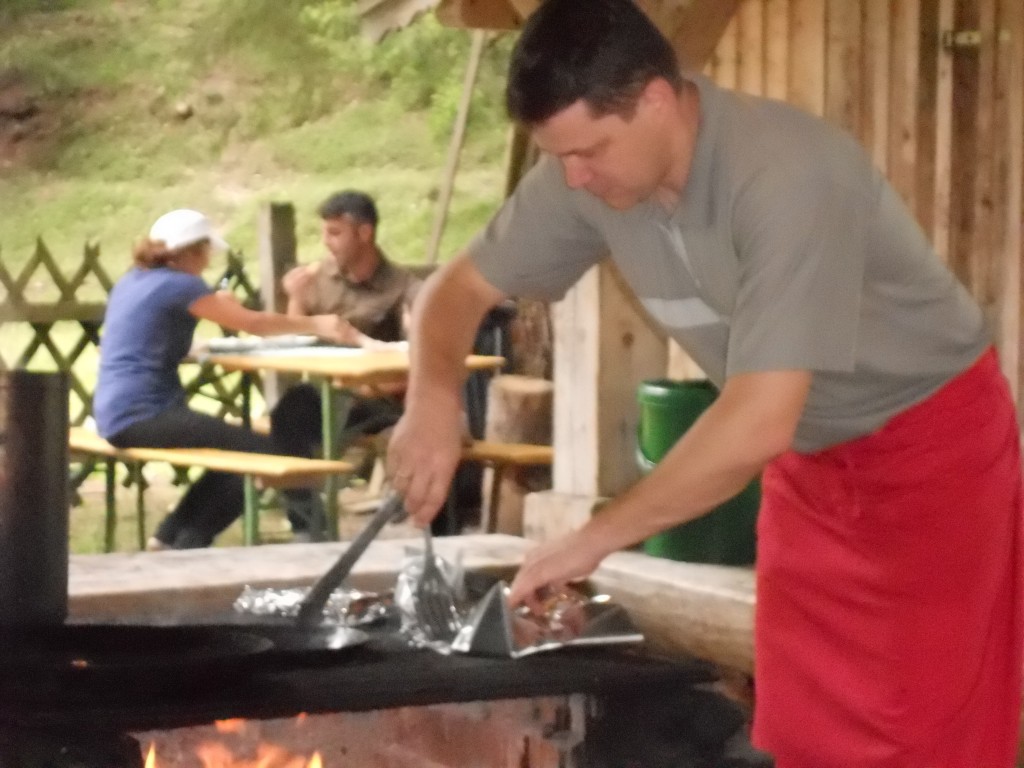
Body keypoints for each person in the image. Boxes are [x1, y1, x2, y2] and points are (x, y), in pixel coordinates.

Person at [384, 2, 1024, 767]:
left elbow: (755, 421)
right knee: (797, 723)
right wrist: (433, 397)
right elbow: (452, 293)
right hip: (810, 464)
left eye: (589, 151)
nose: (574, 177)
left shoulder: (787, 175)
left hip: (931, 453)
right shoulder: (584, 177)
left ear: (657, 98)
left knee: (921, 733)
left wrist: (594, 538)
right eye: (559, 158)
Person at [93, 208, 350, 550]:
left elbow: (147, 336)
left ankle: (171, 535)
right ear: (193, 251)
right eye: (206, 253)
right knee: (260, 453)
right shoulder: (182, 284)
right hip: (145, 413)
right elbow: (254, 324)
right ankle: (189, 540)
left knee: (235, 447)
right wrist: (316, 324)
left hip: (113, 411)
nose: (208, 262)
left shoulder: (132, 280)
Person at [282, 190, 422, 442]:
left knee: (303, 417)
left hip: (376, 402)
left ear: (365, 233)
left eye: (335, 233)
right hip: (325, 394)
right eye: (324, 232)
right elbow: (296, 340)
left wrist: (363, 387)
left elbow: (418, 365)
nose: (325, 242)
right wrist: (296, 298)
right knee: (291, 408)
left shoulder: (402, 288)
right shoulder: (321, 278)